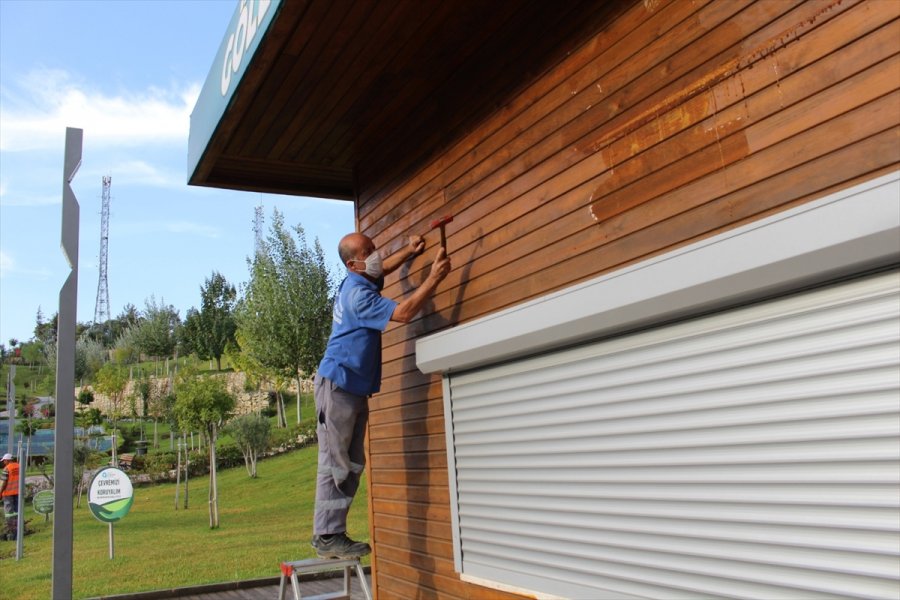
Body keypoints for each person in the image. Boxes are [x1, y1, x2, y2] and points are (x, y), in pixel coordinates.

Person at [311, 231, 451, 559]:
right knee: (335, 464)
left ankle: (334, 531)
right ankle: (326, 535)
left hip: (353, 389)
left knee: (352, 463)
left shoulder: (358, 281)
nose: (375, 254)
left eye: (374, 248)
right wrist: (432, 278)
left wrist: (409, 252)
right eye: (368, 251)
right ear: (352, 263)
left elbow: (380, 270)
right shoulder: (357, 295)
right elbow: (402, 313)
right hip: (339, 384)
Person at [1, 452, 19, 541]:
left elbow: (4, 482)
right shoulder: (19, 466)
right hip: (18, 492)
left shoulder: (7, 468)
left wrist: (0, 493)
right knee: (17, 512)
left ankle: (11, 531)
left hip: (8, 493)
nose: (3, 462)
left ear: (7, 460)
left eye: (4, 461)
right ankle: (18, 530)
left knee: (9, 513)